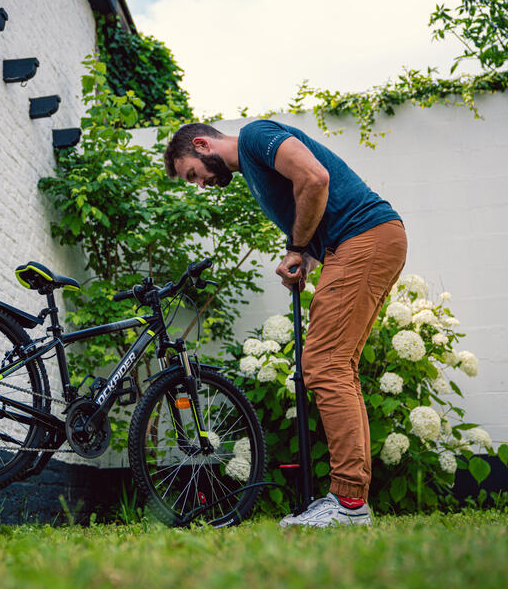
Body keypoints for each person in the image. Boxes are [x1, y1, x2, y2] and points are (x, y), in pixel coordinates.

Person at [164, 120, 407, 527]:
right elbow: (312, 207)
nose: (201, 184)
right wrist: (306, 258)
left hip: (363, 238)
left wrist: (295, 248)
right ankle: (350, 500)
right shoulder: (254, 172)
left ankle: (348, 505)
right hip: (357, 242)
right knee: (338, 367)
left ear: (202, 144)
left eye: (194, 173)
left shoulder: (256, 136)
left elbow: (315, 178)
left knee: (325, 365)